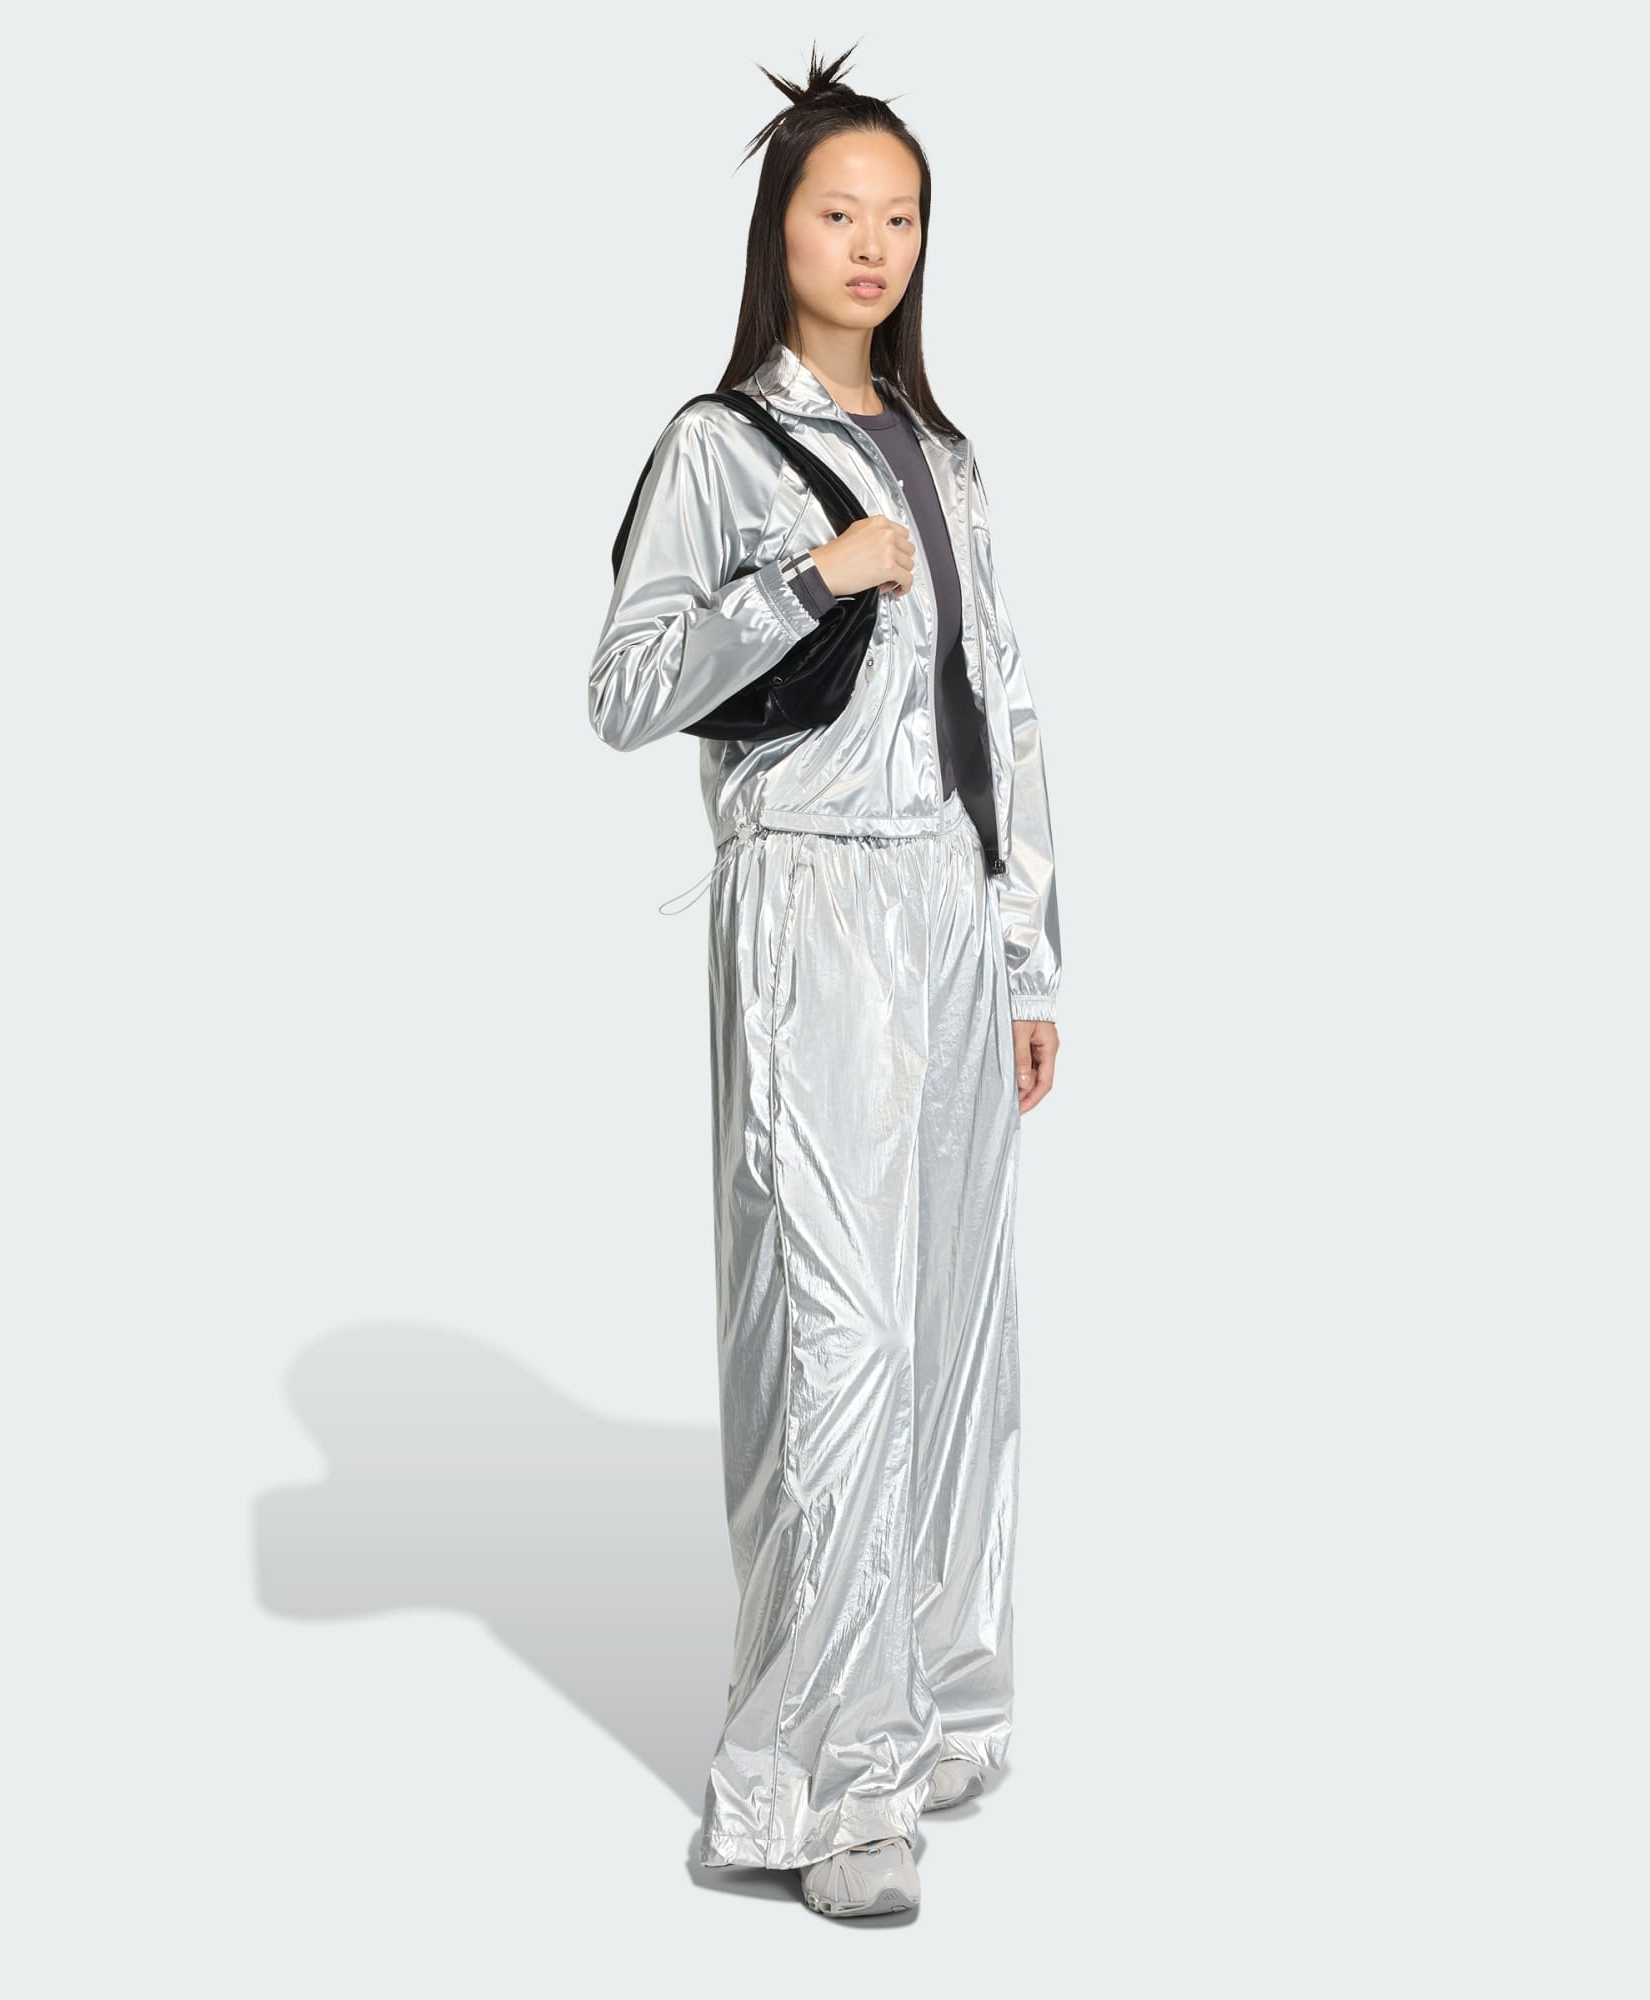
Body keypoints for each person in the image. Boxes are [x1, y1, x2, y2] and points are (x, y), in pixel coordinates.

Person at [586, 42, 1062, 1920]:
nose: (872, 245)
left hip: (947, 909)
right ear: (778, 232)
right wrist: (808, 580)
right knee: (838, 1343)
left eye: (901, 217)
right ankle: (812, 1786)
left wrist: (1027, 957)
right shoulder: (720, 447)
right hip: (808, 906)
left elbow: (1000, 714)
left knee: (952, 1332)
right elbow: (625, 688)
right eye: (837, 212)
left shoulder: (948, 459)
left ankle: (931, 1709)